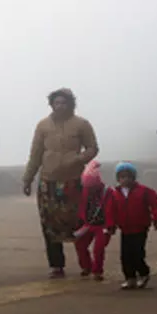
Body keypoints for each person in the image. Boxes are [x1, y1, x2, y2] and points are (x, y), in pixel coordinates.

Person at [23, 88, 99, 279]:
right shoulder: (43, 126)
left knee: (78, 224)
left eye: (64, 103)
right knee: (49, 225)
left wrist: (79, 159)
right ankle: (56, 265)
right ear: (51, 105)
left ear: (70, 104)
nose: (60, 106)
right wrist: (28, 178)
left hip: (73, 182)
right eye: (56, 103)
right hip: (48, 182)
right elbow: (35, 155)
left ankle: (86, 262)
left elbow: (92, 148)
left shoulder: (81, 124)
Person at [110, 162, 157, 290]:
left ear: (133, 177)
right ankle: (130, 278)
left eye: (128, 176)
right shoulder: (114, 193)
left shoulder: (145, 191)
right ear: (118, 178)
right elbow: (110, 210)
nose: (125, 180)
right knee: (125, 255)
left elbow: (155, 205)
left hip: (140, 228)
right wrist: (111, 225)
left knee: (138, 254)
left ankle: (144, 273)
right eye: (122, 177)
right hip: (125, 228)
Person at [74, 160, 116, 281]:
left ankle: (97, 271)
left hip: (103, 226)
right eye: (87, 187)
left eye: (91, 187)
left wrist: (111, 226)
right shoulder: (84, 191)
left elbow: (112, 210)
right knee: (80, 245)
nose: (89, 189)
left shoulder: (108, 192)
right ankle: (86, 267)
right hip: (87, 224)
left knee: (98, 249)